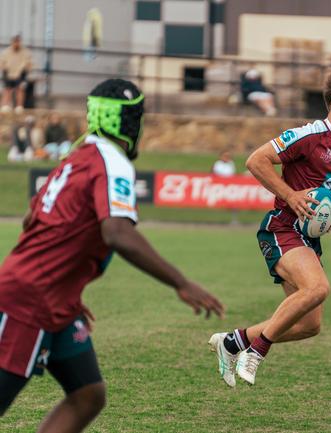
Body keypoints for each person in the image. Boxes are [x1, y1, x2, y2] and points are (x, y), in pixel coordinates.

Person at [0, 79, 225, 430]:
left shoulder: (77, 157)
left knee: (89, 393)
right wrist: (181, 283)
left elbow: (32, 220)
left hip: (52, 298)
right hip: (30, 301)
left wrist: (66, 287)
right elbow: (117, 233)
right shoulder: (110, 160)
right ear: (129, 122)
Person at [208, 70, 331, 387]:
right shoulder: (307, 137)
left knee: (309, 325)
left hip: (309, 240)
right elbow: (257, 160)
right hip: (282, 228)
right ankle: (256, 352)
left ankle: (232, 343)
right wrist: (290, 195)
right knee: (319, 288)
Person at [0, 35, 32, 114]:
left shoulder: (25, 52)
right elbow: (2, 63)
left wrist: (24, 69)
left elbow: (29, 63)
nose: (16, 44)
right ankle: (5, 105)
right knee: (7, 90)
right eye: (15, 42)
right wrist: (4, 68)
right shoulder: (6, 52)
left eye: (18, 42)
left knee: (20, 89)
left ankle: (19, 106)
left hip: (20, 74)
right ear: (12, 42)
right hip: (8, 73)